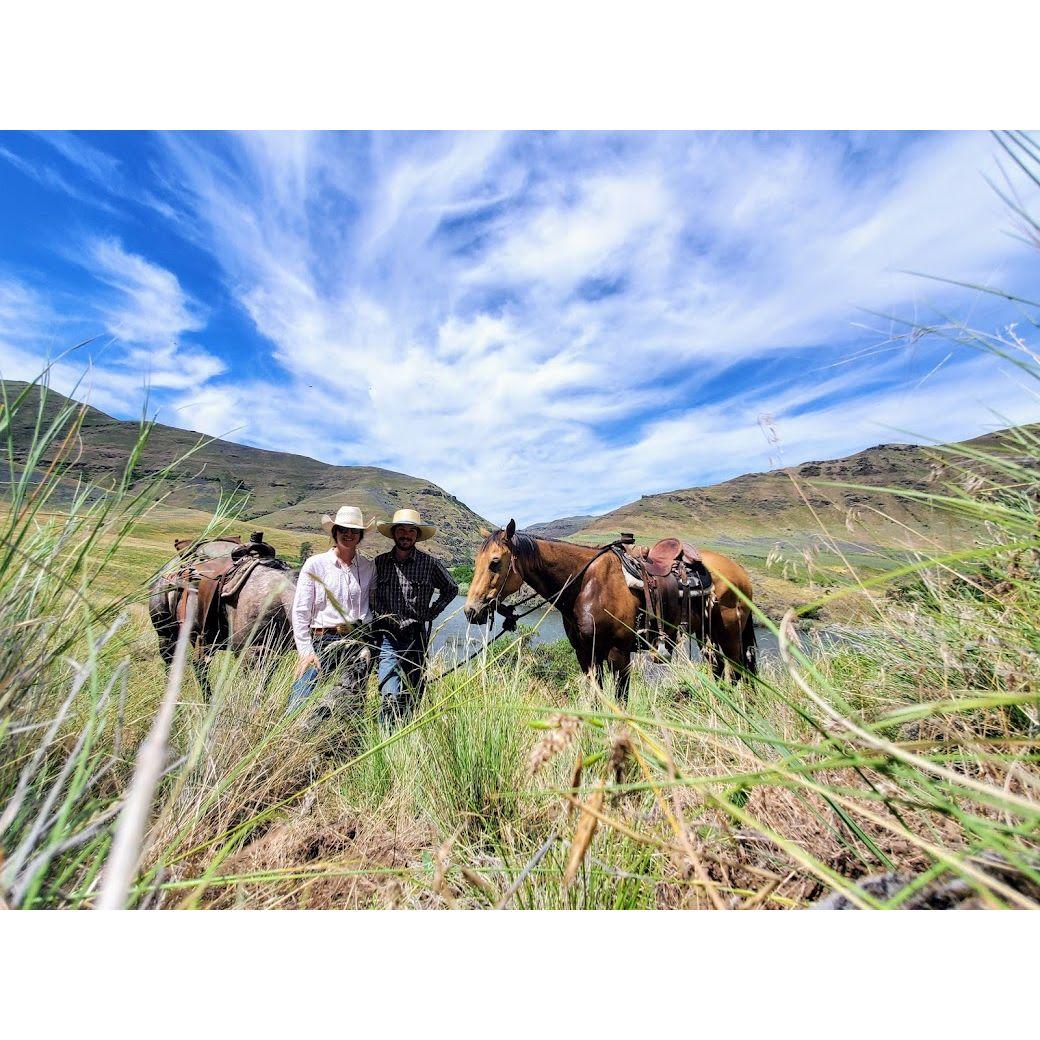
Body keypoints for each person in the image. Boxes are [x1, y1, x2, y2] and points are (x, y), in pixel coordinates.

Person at [372, 507, 458, 728]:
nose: (406, 535)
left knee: (413, 691)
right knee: (388, 689)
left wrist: (432, 612)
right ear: (393, 534)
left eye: (411, 531)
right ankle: (386, 738)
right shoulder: (379, 563)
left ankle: (405, 733)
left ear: (417, 536)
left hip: (416, 637)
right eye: (401, 530)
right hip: (387, 637)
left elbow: (452, 588)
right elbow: (369, 594)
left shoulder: (430, 564)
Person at [289, 506, 377, 717]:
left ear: (360, 536)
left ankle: (343, 747)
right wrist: (305, 651)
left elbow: (372, 605)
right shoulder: (315, 564)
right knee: (300, 703)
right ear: (334, 532)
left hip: (356, 642)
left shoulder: (368, 567)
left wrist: (368, 643)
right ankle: (289, 745)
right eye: (343, 529)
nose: (348, 535)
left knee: (350, 707)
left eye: (354, 531)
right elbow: (300, 611)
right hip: (321, 641)